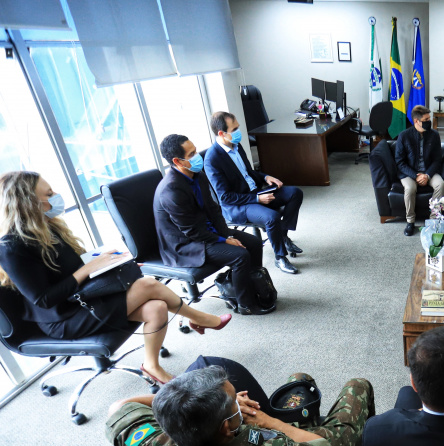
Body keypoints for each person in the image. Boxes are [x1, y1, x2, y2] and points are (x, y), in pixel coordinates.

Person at [0, 171, 230, 384]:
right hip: (62, 318)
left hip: (81, 299)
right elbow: (44, 299)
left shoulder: (48, 226)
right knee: (148, 284)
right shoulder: (11, 247)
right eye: (48, 194)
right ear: (27, 202)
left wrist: (111, 264)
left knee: (157, 307)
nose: (56, 197)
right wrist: (88, 269)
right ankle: (203, 319)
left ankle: (151, 365)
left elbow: (73, 268)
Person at [106, 356, 374, 446]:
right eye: (235, 402)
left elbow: (119, 406)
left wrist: (183, 404)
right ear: (225, 427)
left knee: (299, 381)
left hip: (233, 441)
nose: (239, 401)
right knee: (357, 385)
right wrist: (269, 422)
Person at [154, 134, 274, 315]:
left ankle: (253, 287)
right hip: (186, 244)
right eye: (192, 153)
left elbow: (213, 209)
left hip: (204, 231)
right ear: (177, 161)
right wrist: (224, 241)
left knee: (254, 243)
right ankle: (245, 304)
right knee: (240, 255)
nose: (198, 156)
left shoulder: (197, 175)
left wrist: (226, 235)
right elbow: (191, 231)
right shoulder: (171, 191)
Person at [204, 111, 303, 275]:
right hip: (238, 205)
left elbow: (247, 173)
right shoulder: (212, 159)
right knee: (272, 217)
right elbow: (225, 197)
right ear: (221, 133)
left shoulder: (236, 146)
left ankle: (282, 236)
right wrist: (257, 198)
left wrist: (266, 176)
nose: (238, 132)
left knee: (295, 193)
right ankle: (280, 257)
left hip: (254, 192)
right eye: (234, 129)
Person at [395, 105, 444, 237]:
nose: (430, 121)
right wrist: (415, 176)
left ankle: (433, 221)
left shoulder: (434, 135)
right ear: (416, 121)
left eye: (429, 118)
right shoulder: (404, 136)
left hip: (428, 171)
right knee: (410, 189)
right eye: (426, 119)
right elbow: (400, 162)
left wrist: (427, 175)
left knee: (440, 184)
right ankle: (410, 221)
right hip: (409, 173)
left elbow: (437, 160)